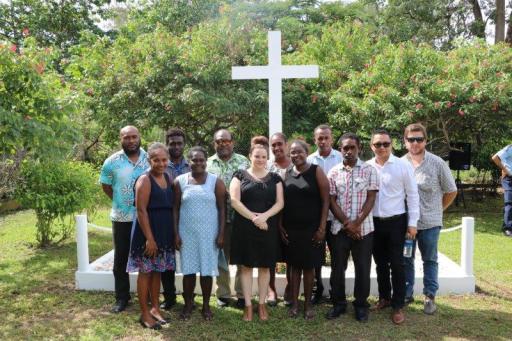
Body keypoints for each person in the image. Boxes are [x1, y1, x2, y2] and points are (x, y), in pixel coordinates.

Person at [402, 123, 457, 314]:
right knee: (406, 259)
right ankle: (407, 293)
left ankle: (429, 296)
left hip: (430, 223)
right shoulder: (400, 163)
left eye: (419, 139)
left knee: (430, 260)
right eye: (411, 139)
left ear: (425, 141)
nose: (415, 143)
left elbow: (451, 190)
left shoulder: (437, 163)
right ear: (405, 142)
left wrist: (438, 209)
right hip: (408, 224)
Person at [367, 129, 419, 325]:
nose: (382, 147)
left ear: (392, 145)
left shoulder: (403, 165)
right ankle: (384, 298)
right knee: (380, 264)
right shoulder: (367, 167)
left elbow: (413, 196)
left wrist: (413, 224)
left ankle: (397, 305)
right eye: (378, 144)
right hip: (374, 223)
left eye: (385, 144)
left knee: (398, 264)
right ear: (372, 146)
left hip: (397, 222)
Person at [229, 139, 284, 321]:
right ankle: (247, 306)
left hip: (267, 227)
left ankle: (261, 305)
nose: (260, 159)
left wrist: (264, 217)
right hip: (245, 227)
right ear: (250, 156)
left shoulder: (275, 178)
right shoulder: (239, 175)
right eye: (257, 156)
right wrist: (254, 218)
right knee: (245, 267)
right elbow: (235, 201)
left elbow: (280, 203)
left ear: (267, 158)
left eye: (264, 156)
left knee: (264, 267)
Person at [326, 133, 378, 322]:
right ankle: (338, 304)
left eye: (352, 148)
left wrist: (357, 224)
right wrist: (348, 224)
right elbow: (331, 200)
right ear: (340, 150)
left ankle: (361, 306)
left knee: (362, 268)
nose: (348, 151)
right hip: (339, 230)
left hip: (364, 229)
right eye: (344, 148)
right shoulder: (333, 172)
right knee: (337, 268)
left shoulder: (369, 170)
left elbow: (371, 198)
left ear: (359, 149)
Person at [100, 125, 149, 313]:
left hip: (146, 218)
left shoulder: (149, 159)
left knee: (147, 258)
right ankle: (122, 297)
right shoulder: (112, 162)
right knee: (120, 259)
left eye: (134, 136)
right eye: (126, 137)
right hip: (121, 218)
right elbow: (106, 186)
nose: (131, 140)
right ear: (121, 139)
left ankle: (149, 295)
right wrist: (120, 200)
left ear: (139, 137)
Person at [126, 143, 175, 330]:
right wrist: (150, 238)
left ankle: (155, 308)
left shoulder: (168, 177)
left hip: (163, 234)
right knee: (145, 272)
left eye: (164, 160)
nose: (161, 163)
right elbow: (141, 210)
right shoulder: (144, 180)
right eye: (157, 160)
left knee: (157, 271)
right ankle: (145, 313)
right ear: (149, 160)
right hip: (147, 234)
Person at [174, 146, 226, 321]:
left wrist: (221, 234)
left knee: (206, 272)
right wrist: (176, 234)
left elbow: (222, 209)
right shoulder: (180, 181)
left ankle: (205, 306)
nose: (198, 163)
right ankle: (188, 305)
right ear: (189, 161)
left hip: (209, 235)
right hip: (186, 234)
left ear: (206, 161)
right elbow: (175, 209)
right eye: (194, 160)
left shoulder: (215, 181)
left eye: (201, 160)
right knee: (188, 272)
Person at [281, 139, 329, 319]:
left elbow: (326, 201)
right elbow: (282, 203)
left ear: (306, 152)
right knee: (293, 267)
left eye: (299, 151)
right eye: (292, 152)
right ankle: (294, 303)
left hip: (312, 229)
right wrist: (280, 226)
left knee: (309, 268)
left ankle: (308, 305)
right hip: (291, 229)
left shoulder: (316, 171)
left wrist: (322, 228)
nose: (296, 155)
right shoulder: (286, 173)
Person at [207, 129, 250, 309]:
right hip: (217, 219)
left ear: (232, 142)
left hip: (241, 218)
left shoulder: (243, 162)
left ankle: (241, 294)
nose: (223, 144)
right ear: (214, 143)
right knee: (221, 258)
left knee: (242, 257)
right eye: (219, 141)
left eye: (226, 141)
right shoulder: (208, 163)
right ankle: (223, 294)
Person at [307, 124, 342, 304]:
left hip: (337, 217)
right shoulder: (309, 160)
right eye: (319, 138)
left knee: (337, 256)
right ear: (315, 140)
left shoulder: (342, 158)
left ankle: (335, 291)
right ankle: (317, 289)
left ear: (332, 138)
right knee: (316, 257)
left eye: (326, 137)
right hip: (317, 217)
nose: (323, 141)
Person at [160, 128, 191, 310]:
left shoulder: (192, 165)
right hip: (166, 218)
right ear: (167, 145)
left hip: (188, 219)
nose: (176, 146)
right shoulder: (162, 166)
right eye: (172, 143)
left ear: (184, 144)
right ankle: (169, 296)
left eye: (179, 143)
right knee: (167, 259)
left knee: (189, 258)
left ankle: (189, 295)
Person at [267, 133, 293, 307]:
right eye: (273, 145)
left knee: (290, 254)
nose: (276, 148)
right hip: (272, 217)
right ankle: (271, 288)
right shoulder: (268, 167)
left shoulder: (296, 165)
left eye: (279, 144)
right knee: (272, 255)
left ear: (286, 144)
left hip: (293, 218)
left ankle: (290, 287)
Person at [492, 143, 512, 237]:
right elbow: (495, 158)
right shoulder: (509, 148)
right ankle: (507, 229)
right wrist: (506, 170)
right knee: (509, 203)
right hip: (509, 179)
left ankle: (506, 225)